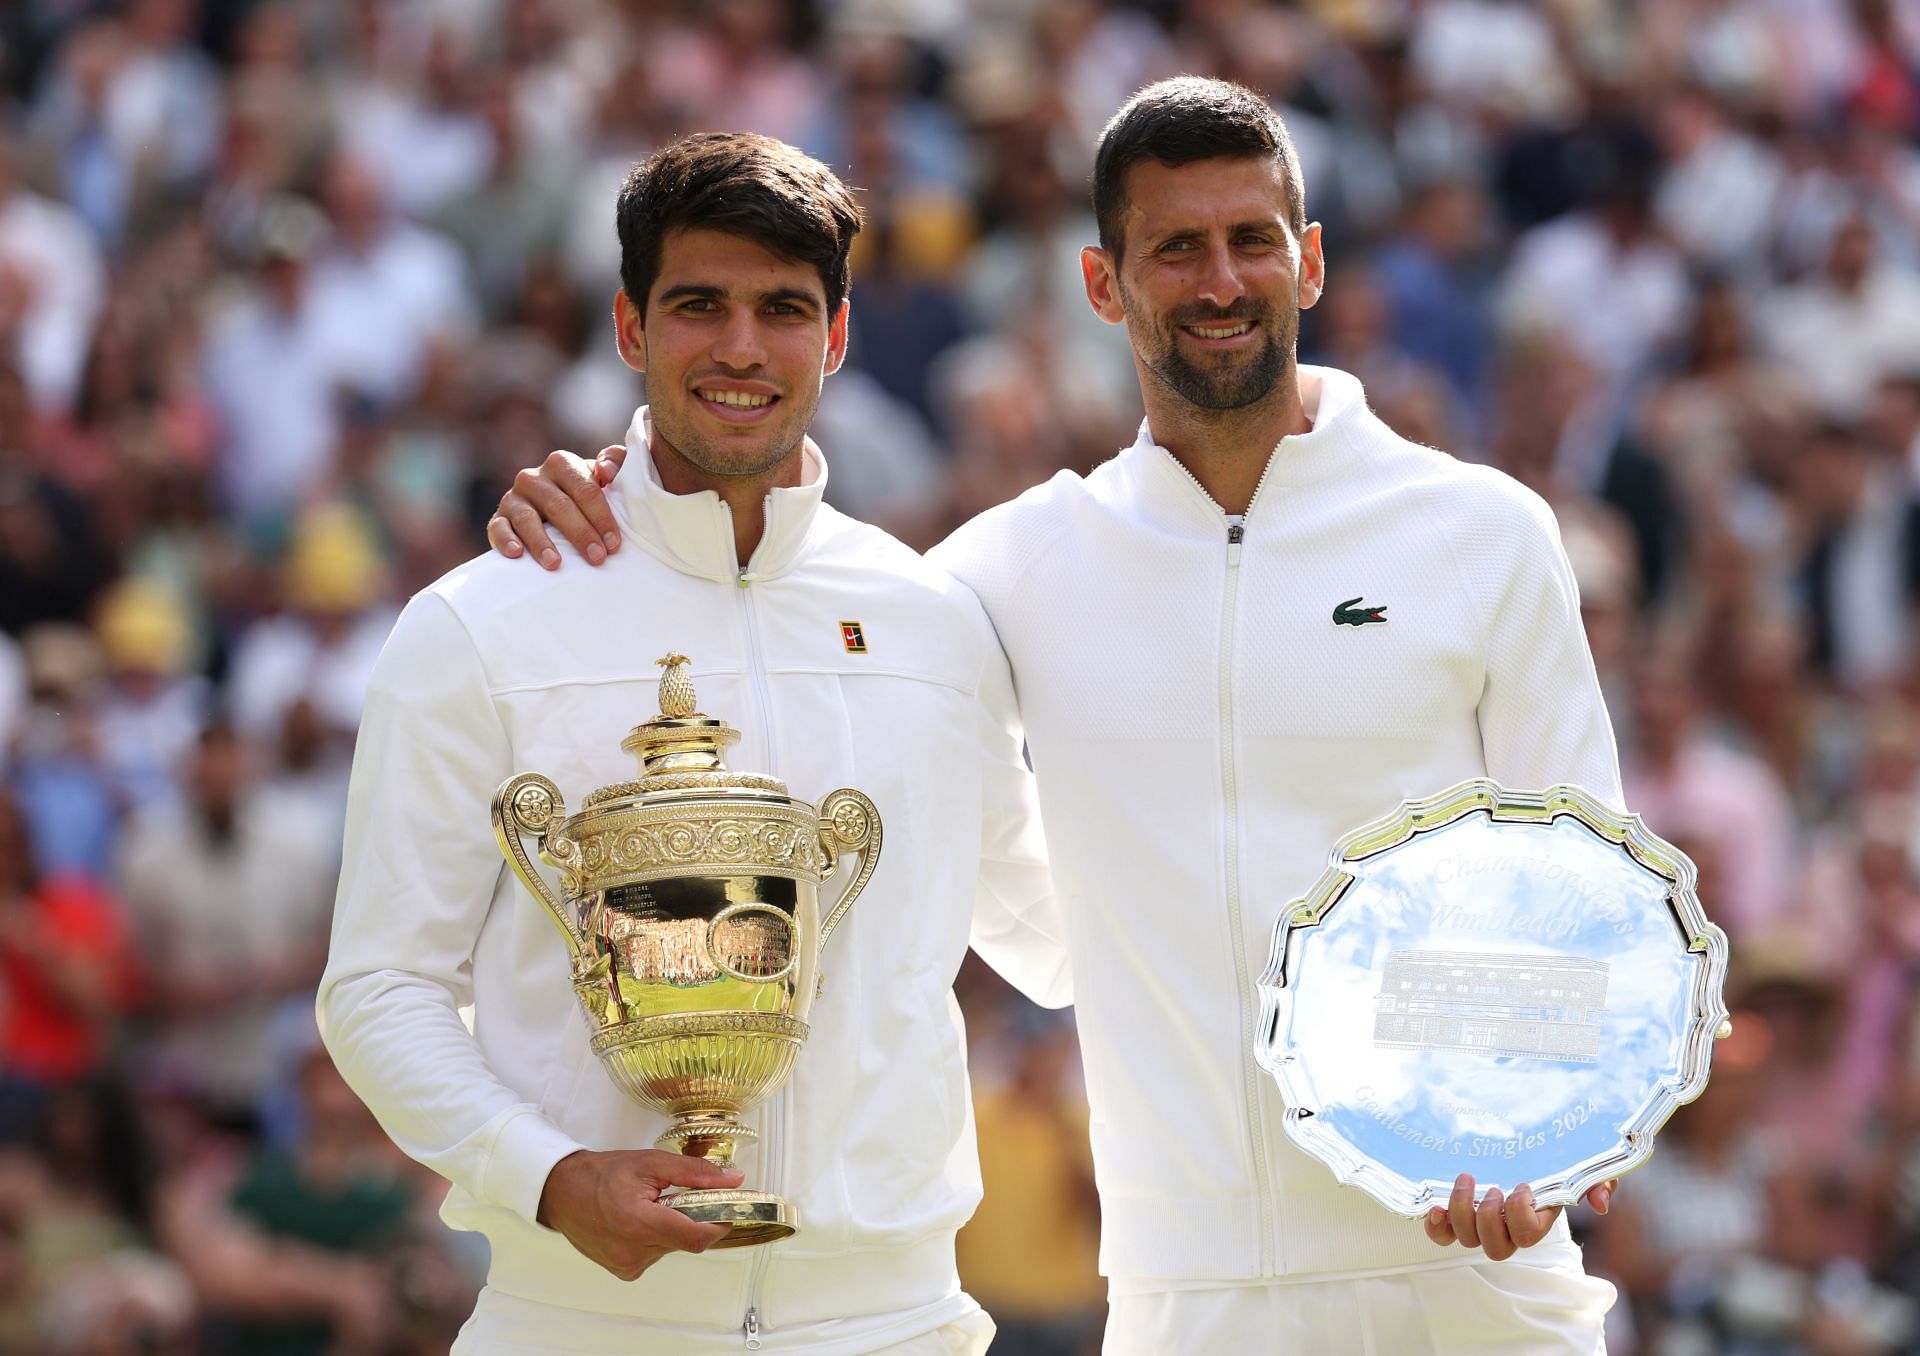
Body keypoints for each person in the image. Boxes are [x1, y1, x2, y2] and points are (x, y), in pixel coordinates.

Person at [491, 80, 1624, 1352]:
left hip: (1475, 1275)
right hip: (1181, 1302)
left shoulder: (1483, 536)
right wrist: (612, 505)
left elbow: (1591, 890)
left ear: (1308, 264)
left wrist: (1558, 1139)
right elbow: (768, 588)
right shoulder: (1002, 571)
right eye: (1174, 248)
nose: (1219, 279)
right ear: (1103, 284)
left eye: (1252, 240)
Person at [319, 132, 1064, 1356]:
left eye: (782, 309)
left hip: (895, 1322)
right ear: (628, 326)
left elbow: (1058, 936)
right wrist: (551, 1178)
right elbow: (379, 988)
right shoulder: (478, 621)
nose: (738, 348)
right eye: (698, 306)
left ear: (834, 337)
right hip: (576, 1320)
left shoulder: (932, 624)